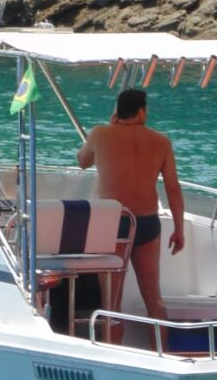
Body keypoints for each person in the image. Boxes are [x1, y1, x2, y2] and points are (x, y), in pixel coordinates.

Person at [76, 88, 184, 321]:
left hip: (114, 221)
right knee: (154, 298)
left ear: (118, 112)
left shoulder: (100, 134)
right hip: (147, 222)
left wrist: (107, 126)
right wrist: (179, 229)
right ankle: (162, 351)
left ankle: (110, 351)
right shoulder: (161, 142)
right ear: (141, 112)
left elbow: (82, 162)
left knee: (111, 303)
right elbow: (173, 188)